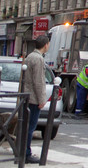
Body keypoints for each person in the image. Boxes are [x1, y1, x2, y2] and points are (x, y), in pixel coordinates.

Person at [23, 34, 50, 164]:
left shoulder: (29, 56)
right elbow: (38, 81)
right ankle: (26, 154)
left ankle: (22, 151)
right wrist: (41, 100)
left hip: (26, 96)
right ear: (46, 45)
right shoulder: (38, 59)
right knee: (30, 127)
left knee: (26, 126)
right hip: (33, 98)